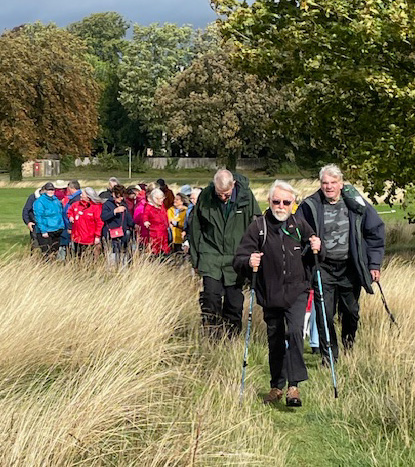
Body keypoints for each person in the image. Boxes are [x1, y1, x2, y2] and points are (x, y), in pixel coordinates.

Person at [233, 180, 321, 407]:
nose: (281, 206)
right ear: (269, 201)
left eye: (286, 202)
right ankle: (276, 386)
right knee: (275, 339)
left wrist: (318, 247)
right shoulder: (258, 227)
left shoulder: (299, 225)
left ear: (293, 203)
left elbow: (316, 254)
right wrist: (248, 261)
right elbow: (239, 259)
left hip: (297, 290)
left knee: (295, 332)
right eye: (276, 201)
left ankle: (294, 386)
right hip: (270, 292)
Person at [296, 164, 385, 364]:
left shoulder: (356, 204)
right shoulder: (310, 206)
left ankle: (348, 345)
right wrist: (309, 245)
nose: (329, 187)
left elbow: (375, 232)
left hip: (350, 268)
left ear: (341, 184)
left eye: (333, 182)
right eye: (325, 183)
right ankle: (329, 357)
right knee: (324, 314)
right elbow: (297, 233)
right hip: (322, 267)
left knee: (351, 312)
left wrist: (374, 264)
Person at [190, 169, 261, 337]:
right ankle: (212, 337)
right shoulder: (206, 196)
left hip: (236, 258)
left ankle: (231, 338)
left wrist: (253, 255)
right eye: (219, 194)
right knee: (210, 298)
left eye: (227, 194)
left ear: (233, 185)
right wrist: (196, 259)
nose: (223, 197)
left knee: (234, 303)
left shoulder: (246, 197)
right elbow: (196, 228)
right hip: (210, 254)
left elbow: (256, 227)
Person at [101, 184, 134, 266]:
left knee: (123, 254)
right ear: (113, 195)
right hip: (111, 235)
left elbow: (128, 218)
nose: (121, 198)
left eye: (122, 196)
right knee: (113, 255)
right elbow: (103, 217)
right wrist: (114, 212)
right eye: (119, 196)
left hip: (123, 235)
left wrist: (134, 225)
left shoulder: (124, 204)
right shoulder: (107, 204)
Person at [67, 187, 104, 258]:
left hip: (89, 238)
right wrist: (70, 216)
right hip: (77, 237)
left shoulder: (96, 207)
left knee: (88, 257)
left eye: (83, 194)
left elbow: (99, 223)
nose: (80, 195)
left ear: (88, 196)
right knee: (77, 256)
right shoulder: (76, 204)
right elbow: (70, 211)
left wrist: (97, 236)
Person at [33, 182, 65, 260]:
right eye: (48, 190)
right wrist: (43, 231)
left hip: (57, 230)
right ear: (45, 190)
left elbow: (60, 213)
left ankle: (54, 266)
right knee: (47, 254)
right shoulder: (40, 202)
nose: (50, 192)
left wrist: (61, 226)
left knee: (55, 252)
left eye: (52, 190)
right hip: (46, 231)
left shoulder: (56, 200)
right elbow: (39, 217)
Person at [143, 188, 170, 256]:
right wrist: (146, 221)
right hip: (155, 233)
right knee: (156, 251)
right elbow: (145, 216)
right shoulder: (149, 207)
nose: (161, 200)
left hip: (164, 232)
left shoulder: (162, 206)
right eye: (159, 198)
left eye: (162, 198)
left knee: (165, 250)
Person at [22, 186, 44, 250]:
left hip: (46, 223)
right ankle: (35, 255)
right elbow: (26, 210)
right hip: (35, 223)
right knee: (35, 243)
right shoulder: (33, 197)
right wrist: (28, 222)